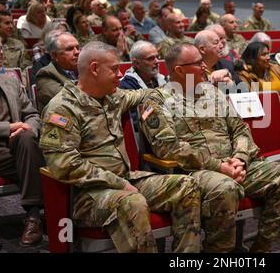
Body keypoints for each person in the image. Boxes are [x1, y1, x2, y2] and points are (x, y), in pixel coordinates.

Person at [39, 41, 201, 253]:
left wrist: (171, 93)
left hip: (124, 180)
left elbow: (146, 94)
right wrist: (117, 183)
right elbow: (65, 164)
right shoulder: (62, 108)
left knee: (187, 187)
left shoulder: (113, 97)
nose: (121, 74)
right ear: (94, 68)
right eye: (114, 69)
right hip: (87, 195)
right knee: (132, 203)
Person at [140, 42, 280, 253]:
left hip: (235, 163)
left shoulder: (212, 92)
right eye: (198, 63)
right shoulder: (157, 100)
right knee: (225, 188)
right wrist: (220, 166)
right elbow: (169, 148)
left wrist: (240, 158)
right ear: (179, 70)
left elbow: (240, 129)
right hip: (196, 171)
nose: (205, 67)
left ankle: (262, 246)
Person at [0, 47, 46, 247]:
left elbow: (32, 114)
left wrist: (28, 128)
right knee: (42, 165)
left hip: (17, 145)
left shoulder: (9, 82)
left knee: (26, 138)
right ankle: (36, 214)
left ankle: (33, 216)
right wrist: (9, 127)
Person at [35, 32, 79, 112]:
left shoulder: (82, 69)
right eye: (70, 49)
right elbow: (69, 100)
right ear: (55, 55)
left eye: (78, 47)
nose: (77, 52)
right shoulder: (45, 74)